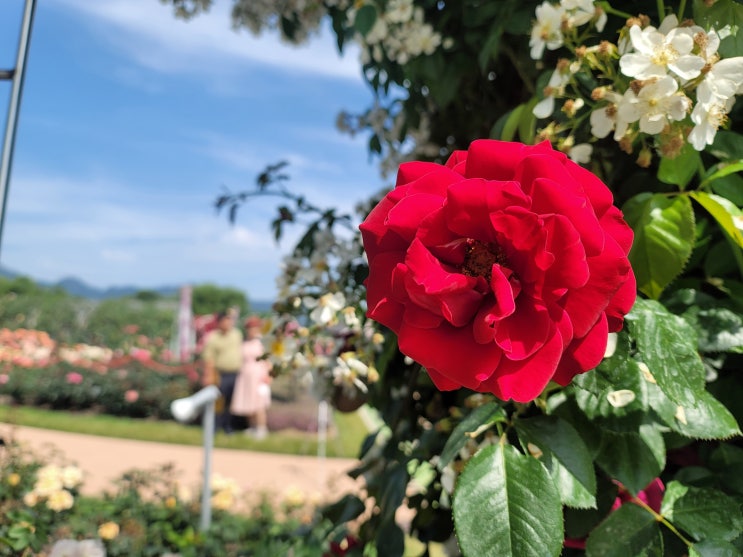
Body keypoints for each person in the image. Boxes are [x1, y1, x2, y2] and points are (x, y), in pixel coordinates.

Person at [202, 310, 243, 434]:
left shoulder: (236, 334)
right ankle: (215, 426)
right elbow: (209, 358)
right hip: (220, 373)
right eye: (225, 320)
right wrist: (208, 375)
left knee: (231, 402)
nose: (228, 323)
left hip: (235, 373)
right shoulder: (213, 337)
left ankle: (228, 426)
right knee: (218, 402)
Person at [231, 316, 272, 440]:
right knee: (248, 402)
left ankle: (261, 428)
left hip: (258, 376)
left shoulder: (262, 343)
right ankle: (252, 426)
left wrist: (268, 376)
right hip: (245, 376)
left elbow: (268, 361)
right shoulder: (244, 342)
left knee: (259, 404)